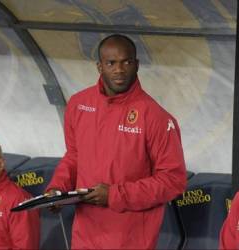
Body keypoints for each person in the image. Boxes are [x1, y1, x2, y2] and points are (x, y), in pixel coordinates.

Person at [46, 34, 187, 249]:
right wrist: (57, 189)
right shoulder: (78, 104)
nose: (119, 70)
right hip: (85, 235)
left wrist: (114, 195)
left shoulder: (156, 117)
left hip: (129, 238)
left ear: (137, 65)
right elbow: (74, 155)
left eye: (126, 62)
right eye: (111, 63)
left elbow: (173, 181)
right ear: (99, 66)